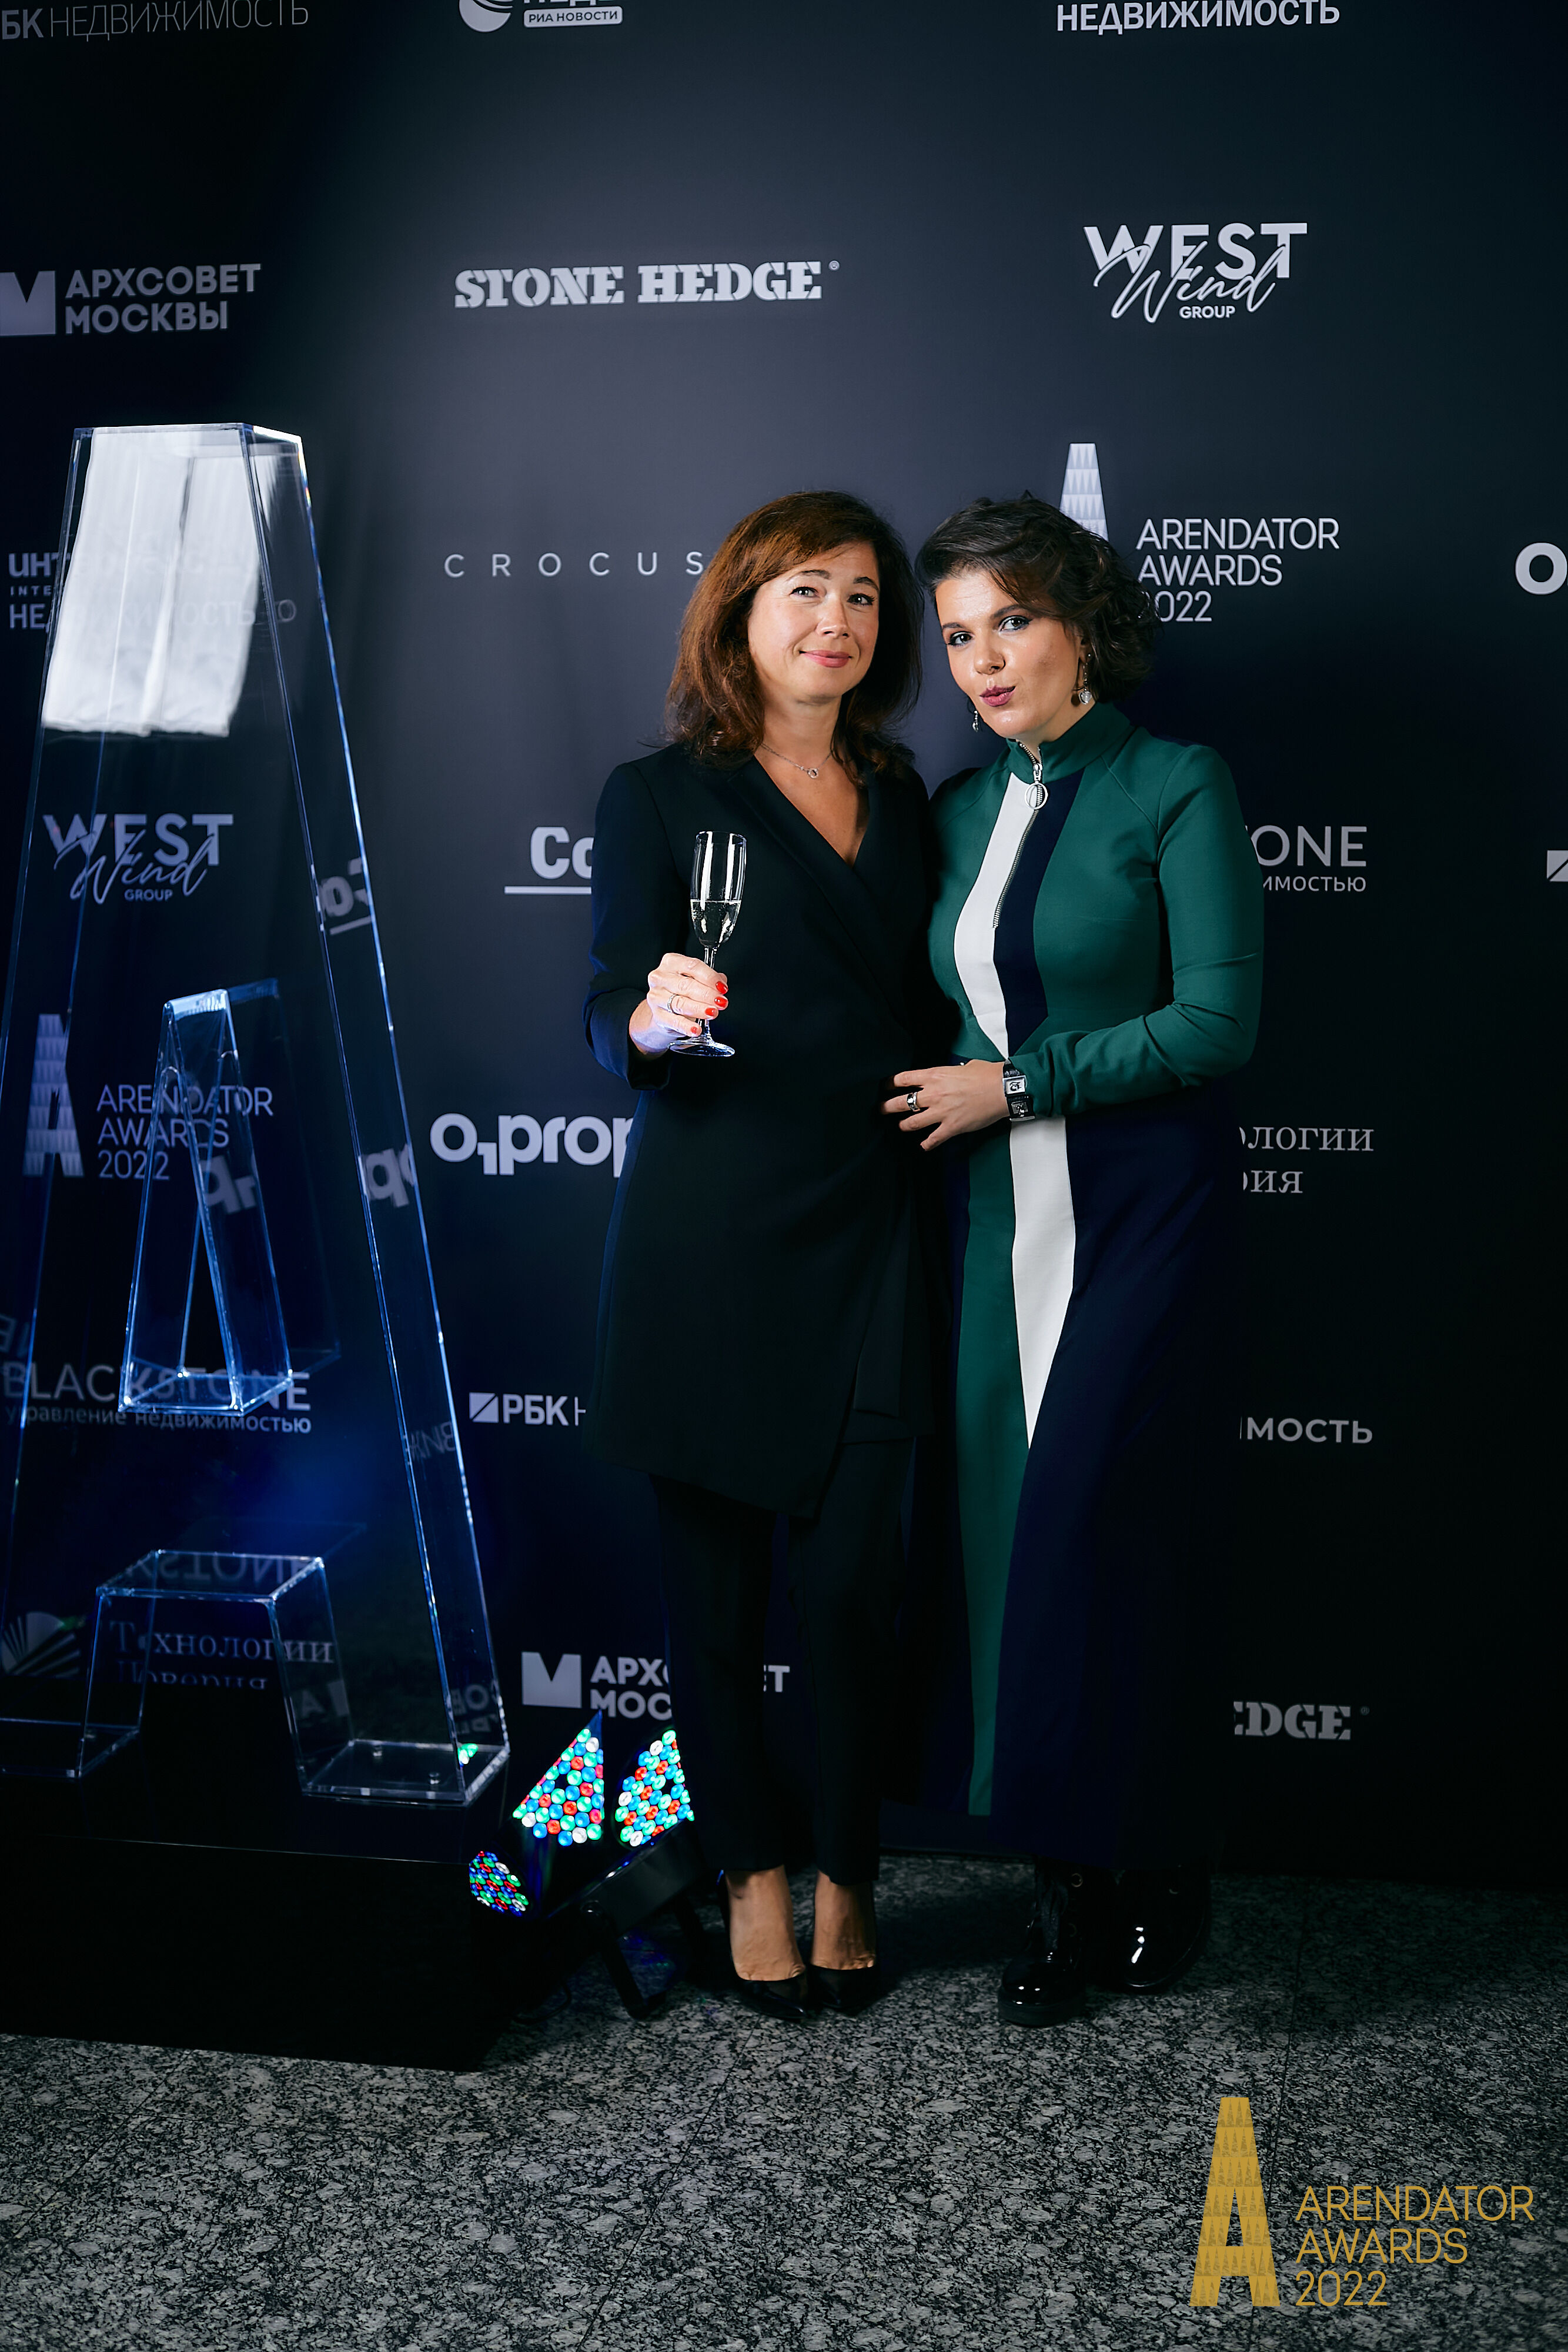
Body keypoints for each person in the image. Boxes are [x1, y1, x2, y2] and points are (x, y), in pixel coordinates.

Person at [886, 493, 1263, 2026]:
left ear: (1082, 627)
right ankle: (1066, 1879)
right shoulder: (957, 810)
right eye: (957, 635)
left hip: (1136, 1219)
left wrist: (1021, 1082)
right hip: (989, 1232)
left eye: (1012, 622)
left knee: (1097, 1532)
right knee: (1001, 1548)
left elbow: (1216, 1024)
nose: (982, 660)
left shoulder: (1176, 783)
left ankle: (1152, 1864)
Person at [583, 490, 946, 2018]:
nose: (835, 621)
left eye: (861, 595)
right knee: (715, 1610)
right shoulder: (658, 794)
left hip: (874, 1224)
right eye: (803, 589)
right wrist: (651, 1021)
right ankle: (747, 1879)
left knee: (856, 1594)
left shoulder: (910, 796)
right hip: (712, 1241)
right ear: (739, 609)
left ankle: (849, 1875)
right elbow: (611, 1000)